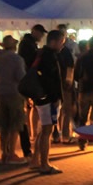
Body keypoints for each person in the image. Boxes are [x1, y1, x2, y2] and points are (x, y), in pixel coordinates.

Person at [30, 29, 65, 175]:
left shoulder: (41, 53)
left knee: (42, 129)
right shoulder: (50, 57)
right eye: (61, 42)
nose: (62, 45)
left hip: (40, 97)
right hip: (48, 99)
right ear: (54, 41)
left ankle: (35, 160)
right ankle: (44, 164)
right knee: (47, 131)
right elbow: (51, 80)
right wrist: (55, 98)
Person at [0, 34, 28, 164]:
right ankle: (12, 153)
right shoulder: (17, 59)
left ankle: (4, 152)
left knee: (4, 125)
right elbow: (21, 77)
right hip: (14, 92)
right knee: (15, 124)